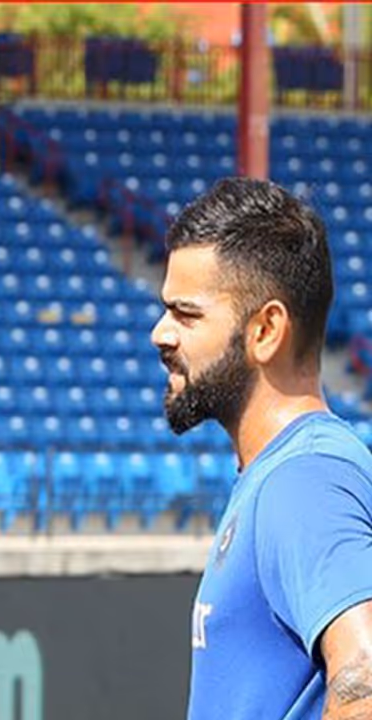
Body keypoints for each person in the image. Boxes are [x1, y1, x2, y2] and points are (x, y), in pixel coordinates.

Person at [151, 178, 372, 720]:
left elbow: (365, 680)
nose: (160, 333)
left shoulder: (306, 479)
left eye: (186, 314)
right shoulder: (282, 472)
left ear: (266, 330)